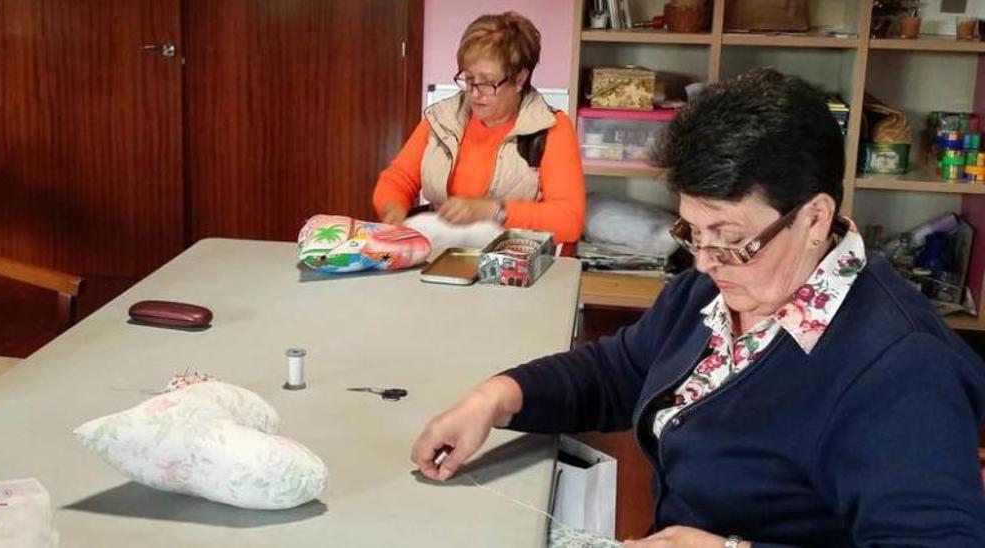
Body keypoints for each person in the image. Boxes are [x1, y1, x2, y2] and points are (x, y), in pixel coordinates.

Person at [411, 68, 985, 546]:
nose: (706, 261)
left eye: (730, 238)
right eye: (693, 230)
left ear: (814, 218)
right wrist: (494, 399)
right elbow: (621, 371)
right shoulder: (719, 287)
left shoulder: (902, 371)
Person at [372, 11, 585, 243]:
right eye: (469, 79)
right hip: (440, 256)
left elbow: (569, 221)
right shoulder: (443, 118)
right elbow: (397, 179)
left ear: (520, 79)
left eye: (487, 82)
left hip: (511, 267)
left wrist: (493, 211)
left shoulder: (552, 128)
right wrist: (392, 209)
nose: (474, 93)